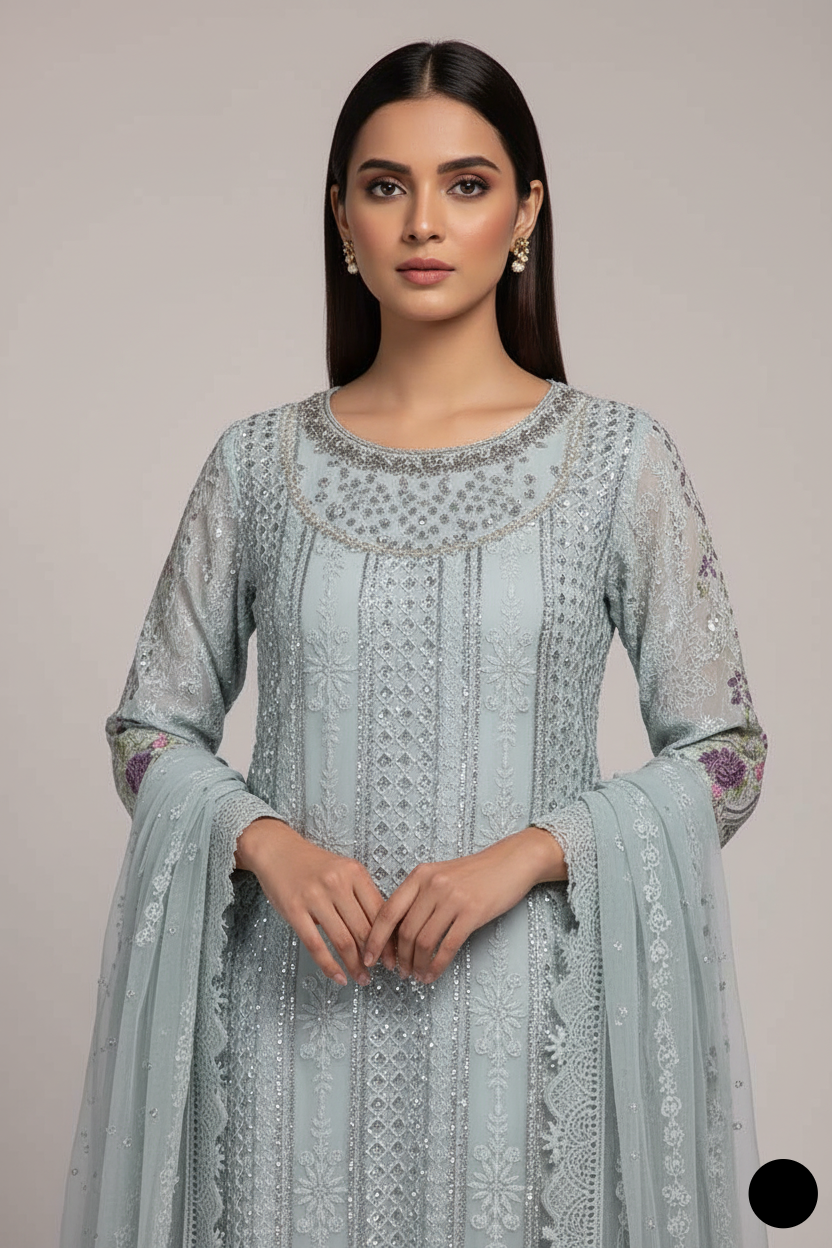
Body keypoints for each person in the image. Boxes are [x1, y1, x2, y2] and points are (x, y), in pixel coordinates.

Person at [61, 38, 770, 1248]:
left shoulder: (619, 462)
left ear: (525, 212)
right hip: (289, 1020)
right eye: (385, 185)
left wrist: (527, 857)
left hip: (529, 1032)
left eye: (466, 183)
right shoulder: (257, 465)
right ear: (341, 216)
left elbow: (726, 756)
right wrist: (266, 844)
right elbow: (148, 732)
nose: (423, 221)